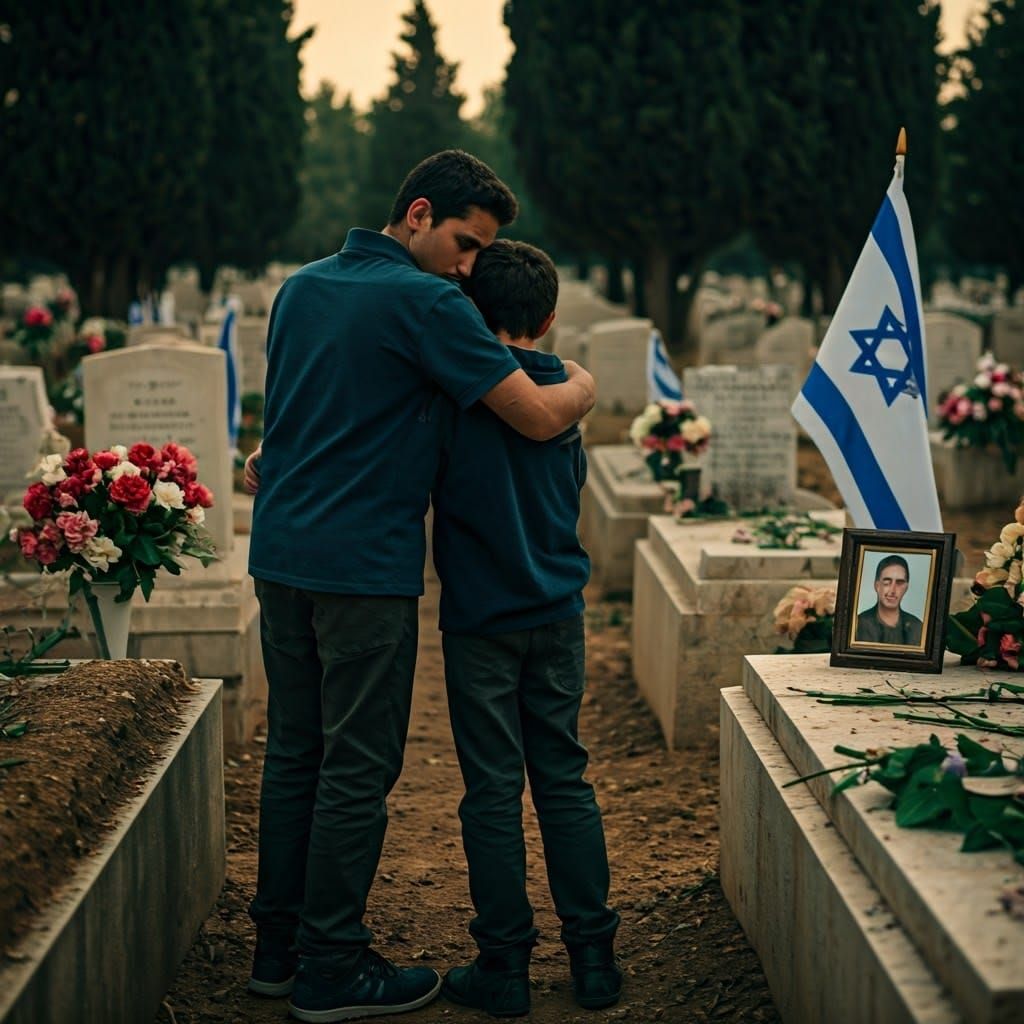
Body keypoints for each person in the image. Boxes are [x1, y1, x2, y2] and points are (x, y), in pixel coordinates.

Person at [243, 150, 596, 1024]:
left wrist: (270, 467)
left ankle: (277, 951)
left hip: (280, 552)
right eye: (466, 243)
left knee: (295, 755)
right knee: (357, 767)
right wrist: (588, 380)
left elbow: (288, 423)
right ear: (418, 214)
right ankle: (332, 966)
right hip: (362, 569)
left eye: (481, 255)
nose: (470, 266)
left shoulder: (301, 286)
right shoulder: (424, 298)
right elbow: (540, 415)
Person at [431, 240, 620, 1018]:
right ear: (548, 318)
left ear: (471, 310)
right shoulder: (564, 387)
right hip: (557, 613)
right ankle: (594, 960)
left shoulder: (455, 392)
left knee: (492, 791)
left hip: (480, 620)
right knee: (565, 777)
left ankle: (503, 967)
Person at [855, 554, 923, 646]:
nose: (892, 590)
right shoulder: (858, 624)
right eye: (887, 583)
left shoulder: (917, 627)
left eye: (899, 583)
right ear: (877, 586)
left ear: (906, 587)